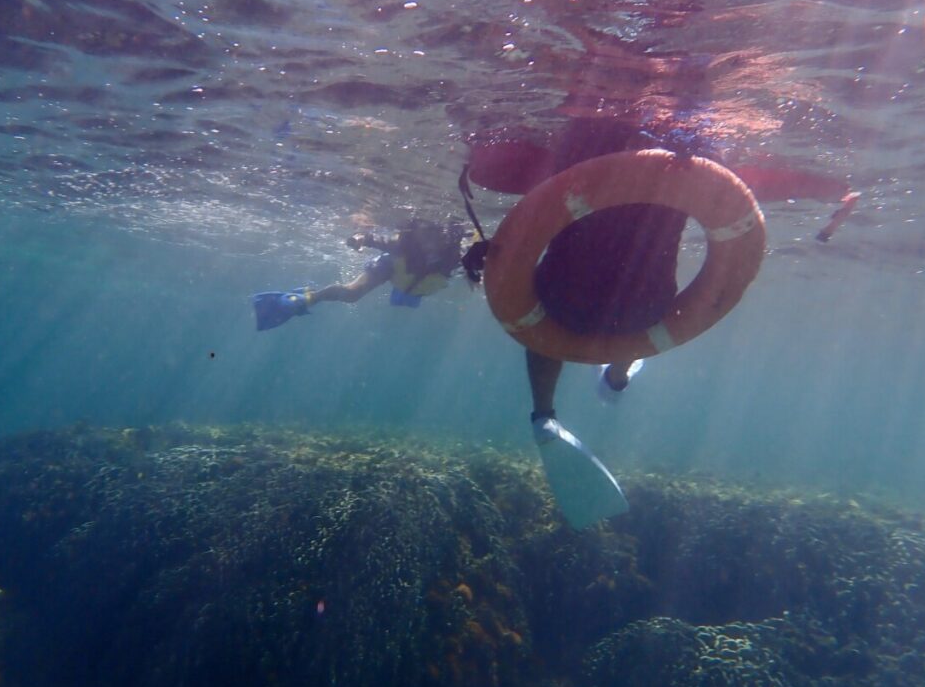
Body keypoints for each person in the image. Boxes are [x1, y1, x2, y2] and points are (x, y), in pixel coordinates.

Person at [466, 117, 695, 528]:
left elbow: (525, 225)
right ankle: (617, 377)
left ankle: (544, 415)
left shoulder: (575, 160)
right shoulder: (683, 165)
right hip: (642, 308)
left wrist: (492, 252)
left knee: (539, 314)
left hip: (567, 299)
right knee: (644, 308)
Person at [253, 218, 469, 331]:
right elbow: (370, 238)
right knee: (352, 294)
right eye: (426, 234)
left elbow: (477, 264)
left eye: (435, 235)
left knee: (412, 293)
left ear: (446, 236)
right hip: (390, 268)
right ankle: (307, 298)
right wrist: (358, 239)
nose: (430, 242)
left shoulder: (455, 255)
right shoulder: (403, 245)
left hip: (415, 284)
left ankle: (407, 294)